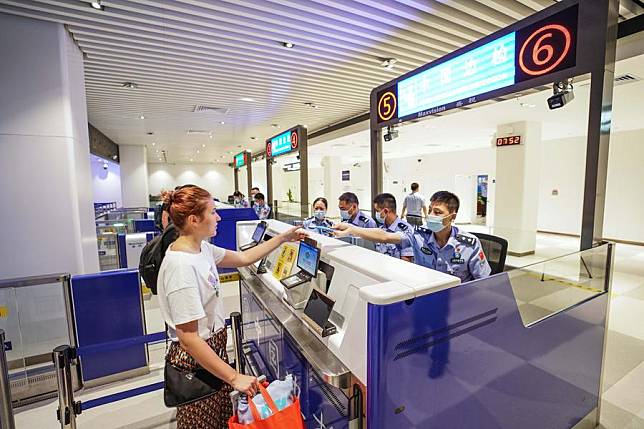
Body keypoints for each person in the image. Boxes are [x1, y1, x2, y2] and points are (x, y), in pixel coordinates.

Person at [157, 185, 306, 428]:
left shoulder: (201, 247)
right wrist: (234, 377)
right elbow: (189, 338)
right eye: (213, 212)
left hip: (213, 356)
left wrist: (282, 239)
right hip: (196, 364)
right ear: (194, 220)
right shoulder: (181, 268)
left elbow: (243, 258)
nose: (218, 217)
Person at [334, 191, 491, 282]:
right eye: (430, 210)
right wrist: (351, 229)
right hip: (426, 298)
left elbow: (485, 284)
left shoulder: (469, 245)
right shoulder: (420, 236)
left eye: (437, 212)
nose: (430, 216)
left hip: (458, 303)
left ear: (452, 216)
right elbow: (385, 236)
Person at [373, 193, 414, 262]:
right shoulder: (381, 229)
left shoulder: (406, 231)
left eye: (377, 211)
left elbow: (406, 264)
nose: (376, 214)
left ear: (386, 211)